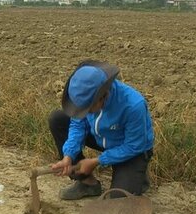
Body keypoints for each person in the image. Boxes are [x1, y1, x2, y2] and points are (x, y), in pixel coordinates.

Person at [49, 60, 154, 199]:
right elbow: (78, 125)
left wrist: (97, 161)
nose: (85, 112)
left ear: (102, 96)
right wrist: (68, 156)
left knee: (117, 198)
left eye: (88, 109)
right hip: (102, 137)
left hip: (131, 149)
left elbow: (134, 146)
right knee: (58, 119)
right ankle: (87, 183)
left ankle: (136, 175)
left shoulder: (133, 105)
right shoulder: (86, 97)